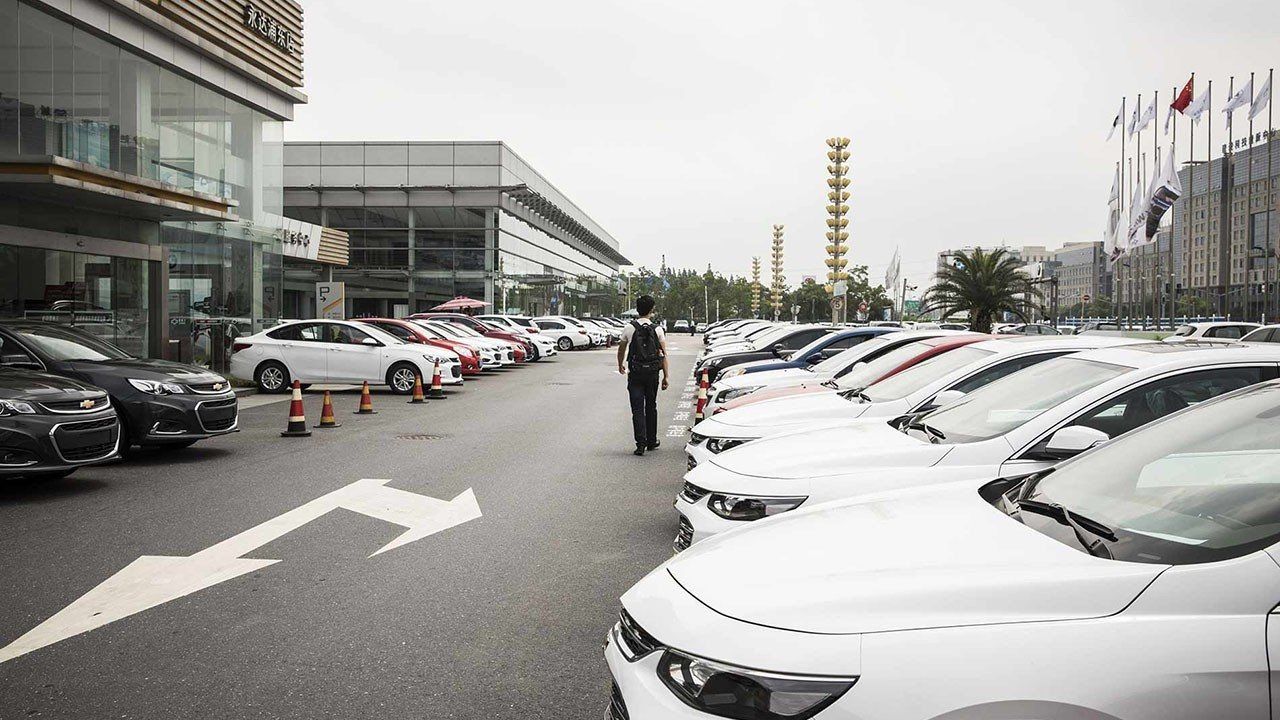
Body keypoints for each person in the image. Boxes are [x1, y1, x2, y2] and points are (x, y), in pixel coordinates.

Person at [617, 295, 669, 456]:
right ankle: (652, 441)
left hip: (636, 373)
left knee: (637, 409)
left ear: (637, 309)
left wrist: (621, 364)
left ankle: (640, 443)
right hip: (652, 373)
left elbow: (621, 350)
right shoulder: (657, 329)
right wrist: (666, 376)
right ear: (651, 309)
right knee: (651, 406)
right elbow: (664, 355)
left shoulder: (629, 328)